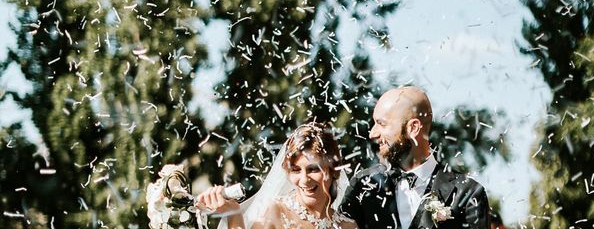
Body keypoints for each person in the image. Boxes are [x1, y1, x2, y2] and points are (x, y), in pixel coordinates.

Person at [340, 86, 490, 229]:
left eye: (382, 124)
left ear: (413, 128)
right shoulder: (363, 185)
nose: (372, 134)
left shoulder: (468, 193)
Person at [197, 123, 357, 229]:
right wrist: (233, 213)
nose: (304, 179)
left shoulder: (349, 226)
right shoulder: (275, 211)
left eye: (313, 169)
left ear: (333, 169)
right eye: (296, 170)